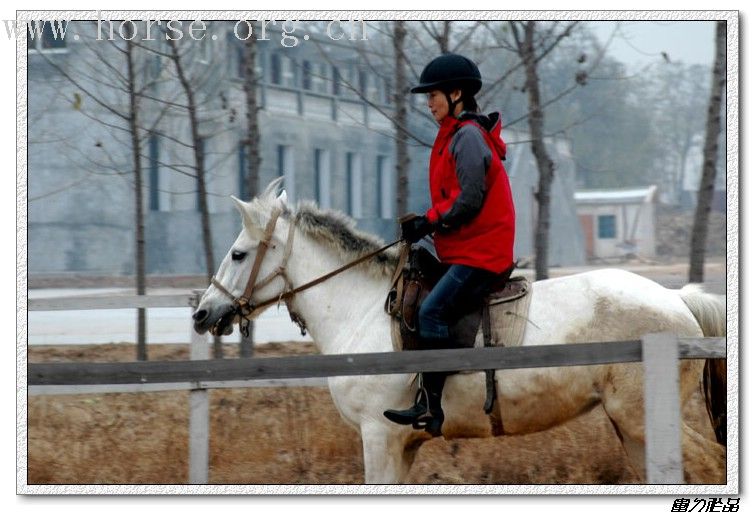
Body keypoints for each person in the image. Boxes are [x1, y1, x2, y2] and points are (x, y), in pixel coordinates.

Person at [383, 53, 516, 436]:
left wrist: (430, 220)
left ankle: (430, 407)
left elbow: (470, 197)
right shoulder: (456, 135)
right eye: (427, 97)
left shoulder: (468, 137)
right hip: (467, 247)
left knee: (431, 313)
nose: (428, 103)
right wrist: (426, 221)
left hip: (483, 253)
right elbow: (455, 195)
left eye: (434, 95)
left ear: (457, 93)